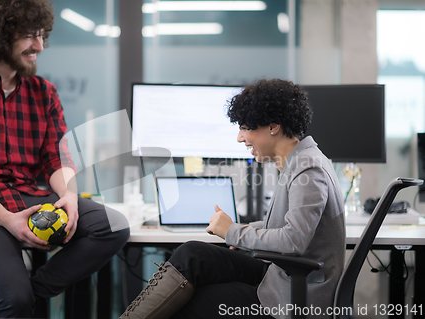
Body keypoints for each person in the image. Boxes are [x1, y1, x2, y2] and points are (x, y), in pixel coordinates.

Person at [0, 0, 130, 318]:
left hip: (28, 194)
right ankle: (16, 302)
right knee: (16, 303)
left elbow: (55, 158)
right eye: (29, 36)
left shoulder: (43, 92)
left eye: (41, 35)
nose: (39, 46)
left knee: (113, 226)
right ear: (0, 36)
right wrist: (8, 220)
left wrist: (70, 196)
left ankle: (12, 302)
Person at [119, 79, 345, 319]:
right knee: (193, 254)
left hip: (294, 297)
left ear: (273, 126)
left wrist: (232, 232)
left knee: (189, 301)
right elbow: (288, 228)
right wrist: (241, 228)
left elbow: (294, 240)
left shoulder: (308, 168)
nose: (240, 137)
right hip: (281, 279)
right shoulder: (299, 161)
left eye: (246, 128)